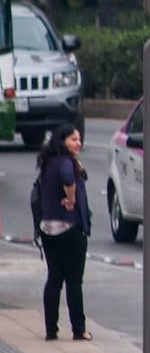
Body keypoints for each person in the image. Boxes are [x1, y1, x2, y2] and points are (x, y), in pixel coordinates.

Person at [36, 123, 92, 341]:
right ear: (62, 141)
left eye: (79, 139)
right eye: (73, 140)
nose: (78, 143)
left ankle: (51, 330)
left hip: (48, 229)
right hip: (70, 228)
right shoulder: (65, 162)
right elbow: (68, 177)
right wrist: (71, 199)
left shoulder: (47, 161)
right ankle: (79, 329)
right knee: (74, 281)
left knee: (54, 278)